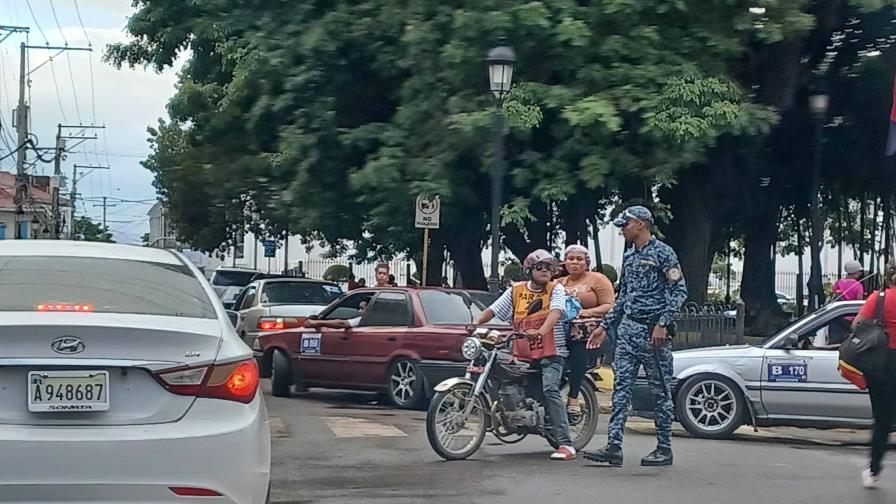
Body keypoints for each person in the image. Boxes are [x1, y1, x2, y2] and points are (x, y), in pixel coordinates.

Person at [583, 206, 687, 467]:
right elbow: (623, 297)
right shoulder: (629, 256)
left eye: (626, 224)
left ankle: (664, 449)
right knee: (621, 390)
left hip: (654, 333)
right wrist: (604, 326)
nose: (622, 229)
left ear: (641, 224)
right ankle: (613, 447)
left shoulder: (664, 253)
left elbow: (679, 292)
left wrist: (663, 323)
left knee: (660, 391)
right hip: (628, 332)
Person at [474, 249, 577, 461]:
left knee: (550, 390)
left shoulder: (555, 289)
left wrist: (541, 331)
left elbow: (556, 312)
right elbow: (493, 310)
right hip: (523, 350)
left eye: (549, 268)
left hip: (552, 350)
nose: (546, 272)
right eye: (540, 267)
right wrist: (474, 324)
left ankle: (566, 444)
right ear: (529, 270)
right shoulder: (516, 291)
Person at [851, 260, 896, 488]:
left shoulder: (878, 299)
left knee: (882, 421)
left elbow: (857, 325)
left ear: (888, 277)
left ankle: (873, 470)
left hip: (881, 364)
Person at [557, 244, 615, 420]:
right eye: (571, 258)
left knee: (579, 349)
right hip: (562, 333)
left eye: (579, 259)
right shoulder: (558, 283)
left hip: (592, 332)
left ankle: (573, 397)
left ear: (586, 263)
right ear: (565, 262)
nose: (574, 262)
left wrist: (586, 312)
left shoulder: (597, 279)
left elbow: (610, 305)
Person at [304, 300, 369, 329]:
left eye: (362, 308)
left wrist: (317, 322)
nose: (358, 311)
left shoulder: (364, 319)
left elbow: (342, 323)